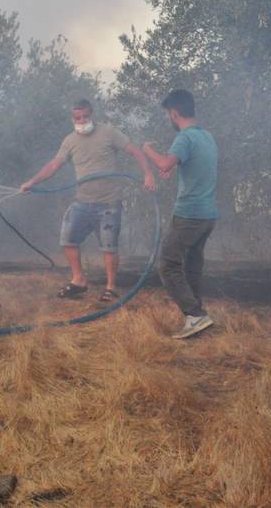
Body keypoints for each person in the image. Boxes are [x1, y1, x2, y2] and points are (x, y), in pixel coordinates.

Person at [20, 99, 156, 301]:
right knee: (67, 239)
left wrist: (148, 175)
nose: (82, 121)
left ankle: (110, 288)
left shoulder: (109, 132)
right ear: (72, 119)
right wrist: (32, 181)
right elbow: (54, 165)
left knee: (109, 247)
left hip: (109, 201)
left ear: (92, 114)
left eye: (85, 116)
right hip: (82, 200)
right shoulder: (69, 141)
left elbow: (135, 151)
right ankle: (78, 280)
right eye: (78, 118)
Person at [142, 89, 219, 339]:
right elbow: (192, 166)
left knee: (168, 264)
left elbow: (164, 163)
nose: (169, 118)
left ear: (174, 113)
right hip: (208, 215)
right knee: (192, 265)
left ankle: (194, 315)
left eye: (168, 114)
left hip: (189, 214)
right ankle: (198, 317)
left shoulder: (184, 138)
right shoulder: (206, 137)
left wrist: (148, 151)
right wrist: (173, 165)